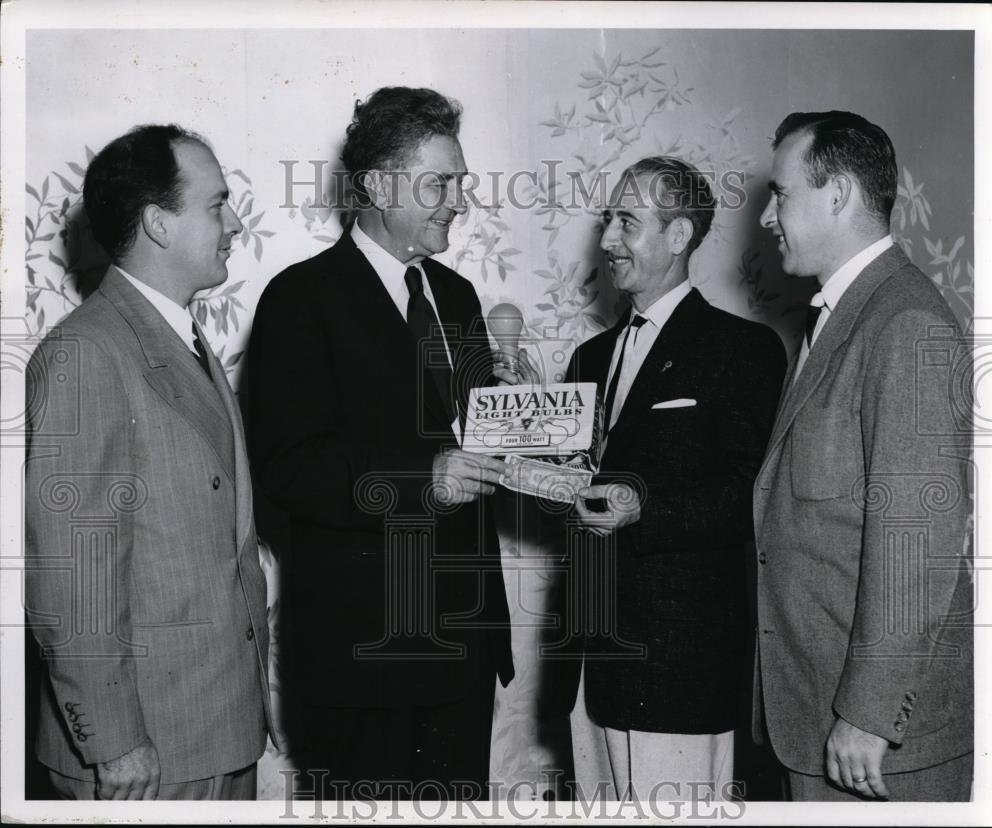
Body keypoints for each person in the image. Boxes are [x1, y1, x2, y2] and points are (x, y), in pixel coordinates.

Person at [246, 86, 519, 801]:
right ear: (374, 185)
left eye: (459, 182)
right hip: (363, 655)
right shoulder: (299, 299)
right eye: (439, 183)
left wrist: (529, 424)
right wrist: (422, 480)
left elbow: (478, 441)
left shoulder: (455, 296)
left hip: (463, 646)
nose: (457, 199)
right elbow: (290, 468)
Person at [24, 124, 272, 800]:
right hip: (144, 755)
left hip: (211, 730)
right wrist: (113, 740)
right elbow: (73, 572)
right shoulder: (88, 353)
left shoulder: (177, 337)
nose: (235, 223)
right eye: (217, 204)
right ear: (159, 224)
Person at [754, 111, 973, 801]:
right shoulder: (840, 317)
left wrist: (870, 714)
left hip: (873, 748)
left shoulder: (902, 323)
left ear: (838, 194)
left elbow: (917, 542)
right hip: (815, 712)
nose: (766, 217)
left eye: (780, 194)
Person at [563, 156, 787, 801]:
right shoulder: (589, 356)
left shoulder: (741, 350)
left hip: (681, 663)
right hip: (590, 660)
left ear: (681, 235)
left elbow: (754, 492)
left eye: (627, 223)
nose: (607, 240)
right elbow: (579, 488)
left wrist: (645, 508)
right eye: (609, 220)